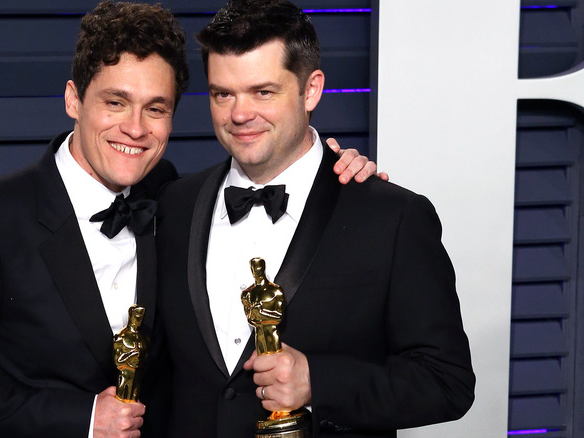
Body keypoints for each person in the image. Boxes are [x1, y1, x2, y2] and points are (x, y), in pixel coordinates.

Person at [0, 1, 376, 437]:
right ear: (73, 99)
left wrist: (327, 171)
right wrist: (80, 420)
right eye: (115, 102)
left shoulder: (167, 193)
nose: (135, 128)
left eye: (156, 109)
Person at [152, 0, 476, 437]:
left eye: (263, 92)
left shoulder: (392, 217)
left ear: (312, 90)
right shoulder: (175, 203)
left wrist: (319, 383)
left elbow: (448, 382)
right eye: (222, 94)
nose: (239, 113)